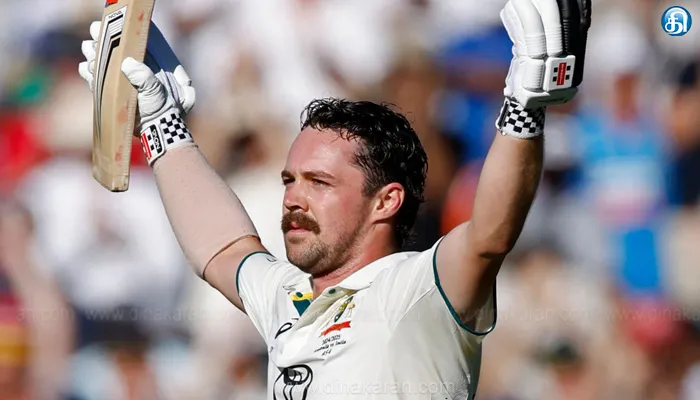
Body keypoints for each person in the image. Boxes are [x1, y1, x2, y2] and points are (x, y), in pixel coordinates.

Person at [78, 0, 590, 398]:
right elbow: (224, 249)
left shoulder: (416, 290)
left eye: (319, 182)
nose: (293, 198)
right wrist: (162, 123)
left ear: (385, 201)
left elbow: (489, 236)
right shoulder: (291, 296)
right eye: (289, 180)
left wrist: (526, 101)